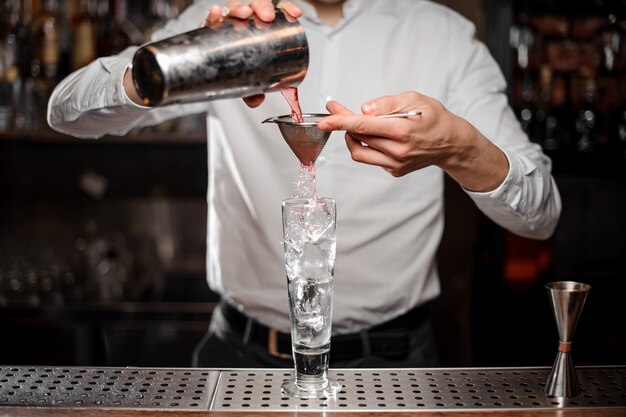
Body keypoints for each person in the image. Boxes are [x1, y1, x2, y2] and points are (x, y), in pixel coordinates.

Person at [47, 0, 561, 368]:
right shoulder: (228, 15)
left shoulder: (442, 34)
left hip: (396, 360)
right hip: (239, 355)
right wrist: (191, 61)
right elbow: (66, 112)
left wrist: (461, 150)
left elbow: (541, 214)